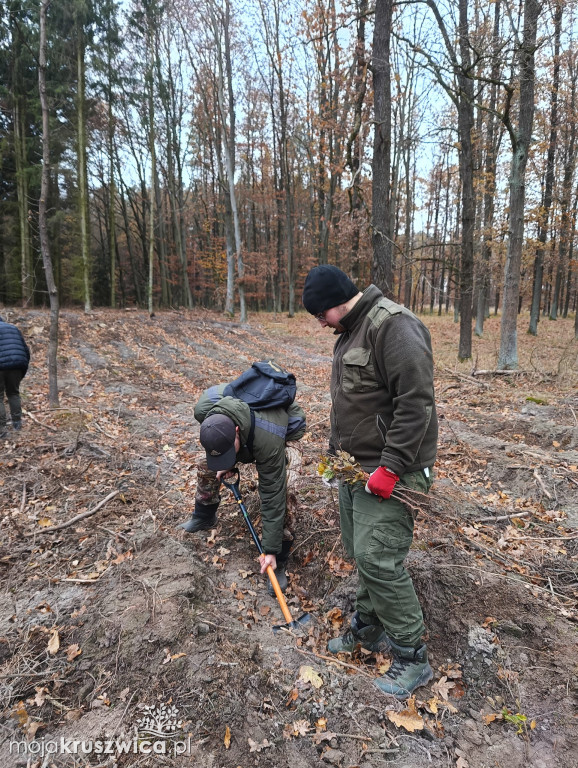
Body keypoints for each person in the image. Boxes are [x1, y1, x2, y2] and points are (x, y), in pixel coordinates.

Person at [302, 265, 438, 700]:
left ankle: (412, 657)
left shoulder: (393, 326)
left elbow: (416, 403)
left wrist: (392, 466)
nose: (320, 323)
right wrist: (333, 457)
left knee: (379, 559)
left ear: (337, 302)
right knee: (361, 553)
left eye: (321, 314)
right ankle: (368, 627)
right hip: (355, 469)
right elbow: (350, 403)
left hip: (392, 471)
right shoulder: (349, 333)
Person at [179, 379, 306, 594]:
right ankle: (204, 515)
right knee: (206, 465)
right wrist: (224, 461)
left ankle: (280, 559)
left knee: (286, 489)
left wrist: (271, 550)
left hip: (283, 430)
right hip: (247, 428)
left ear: (236, 431)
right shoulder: (206, 412)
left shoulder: (268, 439)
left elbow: (271, 492)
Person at [0, 315, 31, 438]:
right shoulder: (13, 328)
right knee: (13, 393)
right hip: (17, 364)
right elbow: (25, 350)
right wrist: (22, 367)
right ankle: (17, 423)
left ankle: (2, 429)